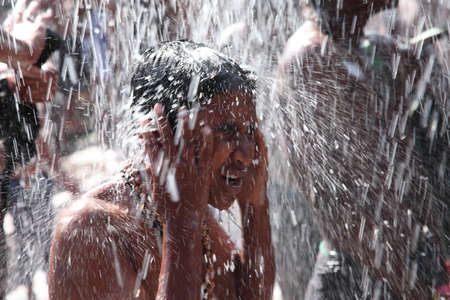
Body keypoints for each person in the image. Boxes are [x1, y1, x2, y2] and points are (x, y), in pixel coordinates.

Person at [48, 40, 275, 300]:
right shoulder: (90, 229)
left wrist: (255, 206)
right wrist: (181, 225)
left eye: (249, 130)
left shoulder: (198, 218)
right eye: (227, 130)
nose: (247, 155)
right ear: (161, 135)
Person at [273, 0, 448, 298]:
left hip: (400, 268)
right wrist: (417, 290)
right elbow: (342, 215)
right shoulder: (313, 58)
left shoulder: (370, 47)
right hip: (359, 278)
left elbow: (413, 165)